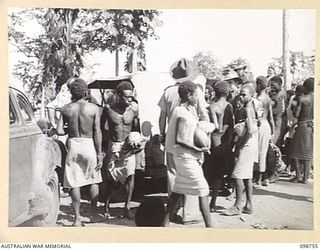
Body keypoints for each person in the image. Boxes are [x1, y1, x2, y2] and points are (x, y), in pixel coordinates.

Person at [158, 58, 209, 223]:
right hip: (189, 140)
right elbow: (203, 115)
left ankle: (172, 213)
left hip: (172, 139)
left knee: (174, 175)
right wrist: (203, 138)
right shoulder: (196, 91)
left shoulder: (167, 92)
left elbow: (162, 117)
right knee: (195, 178)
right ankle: (189, 214)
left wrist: (163, 134)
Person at [162, 81, 213, 227]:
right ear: (189, 95)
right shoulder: (182, 113)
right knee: (203, 189)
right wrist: (198, 149)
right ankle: (211, 228)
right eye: (196, 95)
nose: (198, 98)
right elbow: (179, 139)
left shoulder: (186, 111)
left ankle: (163, 225)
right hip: (185, 158)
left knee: (178, 190)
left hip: (185, 156)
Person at [56, 78, 103, 226]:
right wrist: (99, 152)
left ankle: (77, 219)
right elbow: (97, 132)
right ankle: (94, 214)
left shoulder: (66, 108)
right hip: (89, 144)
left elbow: (59, 130)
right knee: (93, 179)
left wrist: (67, 126)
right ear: (85, 91)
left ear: (72, 92)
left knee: (74, 182)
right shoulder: (94, 108)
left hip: (74, 144)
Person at [104, 81, 140, 220]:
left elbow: (136, 127)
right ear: (119, 96)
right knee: (111, 179)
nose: (129, 99)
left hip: (129, 147)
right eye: (126, 97)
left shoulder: (134, 110)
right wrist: (104, 148)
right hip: (114, 146)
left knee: (130, 177)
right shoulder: (108, 109)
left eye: (131, 97)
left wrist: (137, 143)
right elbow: (102, 129)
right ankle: (106, 206)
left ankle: (127, 207)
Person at [223, 84, 258, 216]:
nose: (241, 97)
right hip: (250, 142)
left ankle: (238, 205)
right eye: (240, 94)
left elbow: (249, 131)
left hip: (247, 143)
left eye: (244, 94)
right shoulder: (250, 107)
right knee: (247, 175)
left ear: (251, 95)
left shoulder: (248, 109)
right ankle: (248, 204)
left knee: (237, 175)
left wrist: (238, 146)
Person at [203, 80, 234, 212]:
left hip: (208, 141)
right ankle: (212, 203)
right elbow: (224, 129)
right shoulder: (228, 107)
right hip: (221, 143)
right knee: (217, 176)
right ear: (227, 93)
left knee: (207, 172)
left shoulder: (210, 106)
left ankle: (203, 201)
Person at [289, 78, 314, 184]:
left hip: (302, 125)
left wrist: (293, 108)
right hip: (310, 125)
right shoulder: (314, 98)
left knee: (295, 152)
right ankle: (305, 177)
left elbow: (296, 114)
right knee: (307, 152)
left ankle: (298, 175)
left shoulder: (302, 99)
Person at [255, 76, 275, 186]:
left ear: (258, 85)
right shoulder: (267, 98)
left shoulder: (259, 99)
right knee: (263, 151)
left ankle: (259, 177)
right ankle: (262, 176)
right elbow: (270, 117)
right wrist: (272, 131)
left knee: (259, 152)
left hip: (260, 125)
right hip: (266, 125)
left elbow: (258, 115)